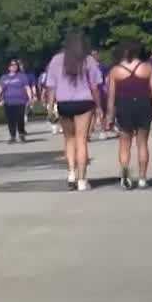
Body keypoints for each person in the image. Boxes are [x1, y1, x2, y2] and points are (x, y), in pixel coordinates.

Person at [43, 31, 104, 192]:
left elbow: (51, 86)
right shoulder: (88, 60)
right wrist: (99, 106)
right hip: (84, 102)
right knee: (81, 140)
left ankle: (71, 173)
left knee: (69, 139)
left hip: (64, 103)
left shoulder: (56, 60)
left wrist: (50, 107)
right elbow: (95, 86)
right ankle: (82, 180)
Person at [105, 40, 152, 190]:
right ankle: (143, 178)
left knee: (124, 143)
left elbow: (111, 97)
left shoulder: (115, 71)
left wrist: (109, 116)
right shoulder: (147, 68)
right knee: (142, 143)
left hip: (124, 106)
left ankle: (125, 173)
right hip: (144, 105)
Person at [0, 59, 35, 144]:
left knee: (20, 119)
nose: (14, 66)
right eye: (12, 65)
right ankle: (12, 136)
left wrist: (30, 98)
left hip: (20, 101)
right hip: (8, 102)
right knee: (11, 120)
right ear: (8, 67)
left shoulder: (22, 76)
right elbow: (0, 89)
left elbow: (27, 88)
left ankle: (21, 134)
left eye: (15, 65)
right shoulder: (4, 77)